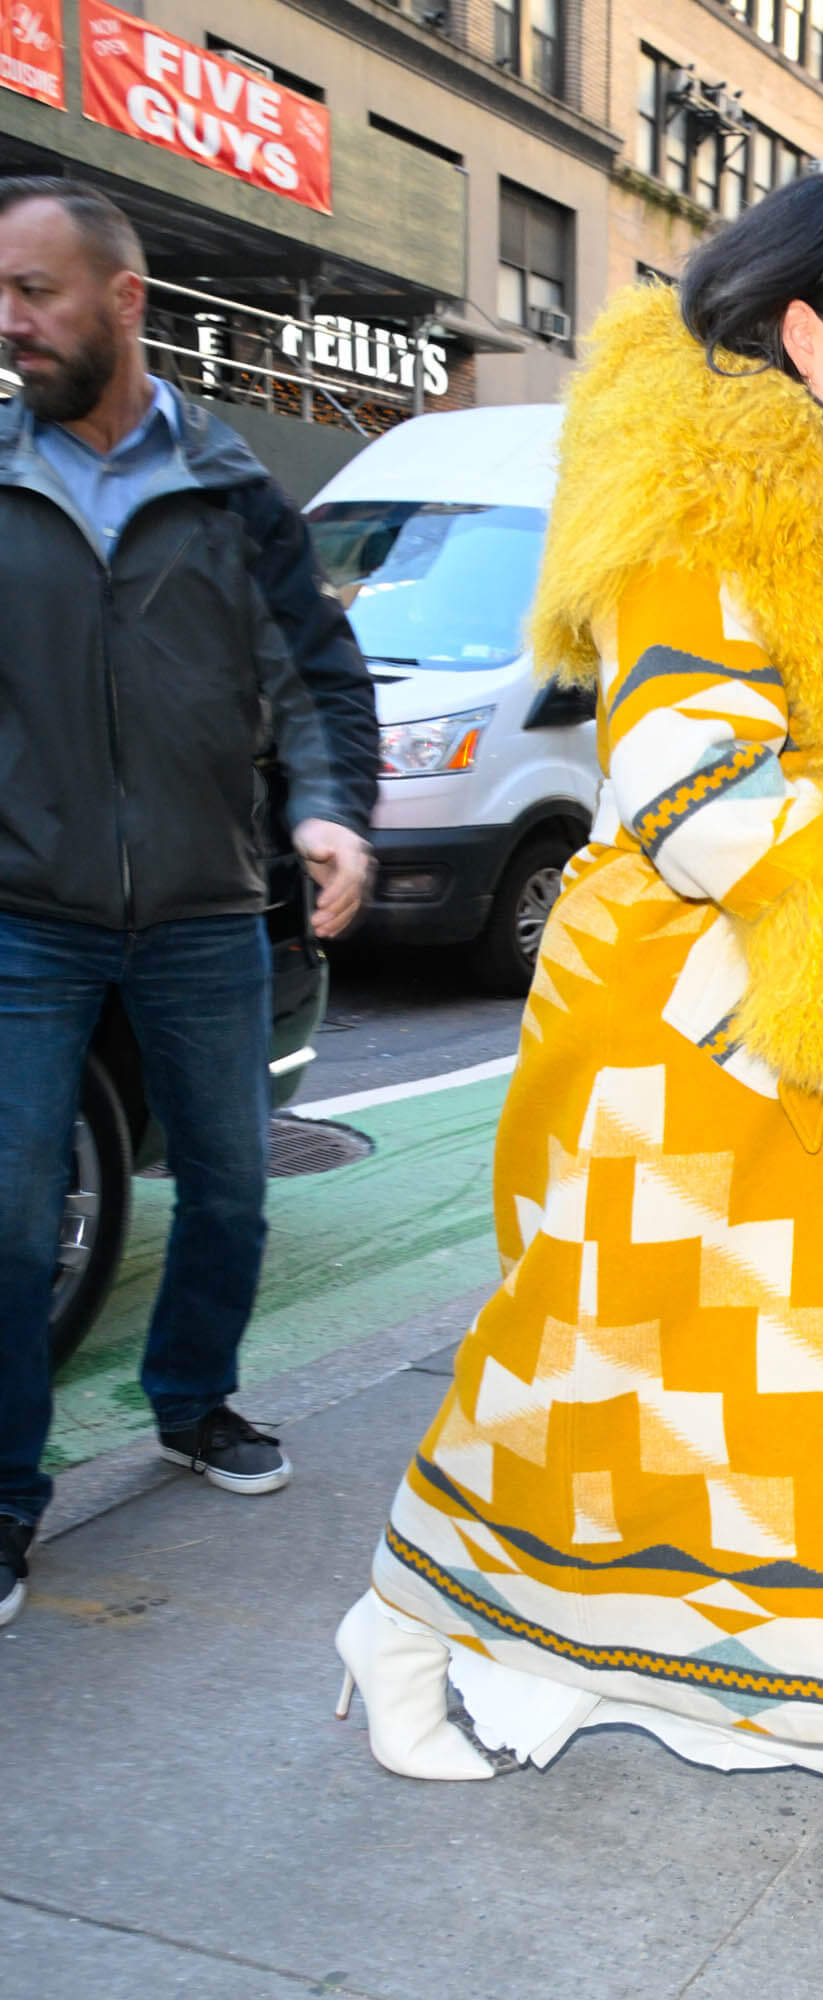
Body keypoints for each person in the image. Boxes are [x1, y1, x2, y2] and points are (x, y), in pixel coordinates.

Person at [334, 176, 823, 1877]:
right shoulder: (698, 498)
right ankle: (398, 1639)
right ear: (799, 328)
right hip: (691, 1062)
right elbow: (690, 783)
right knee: (581, 1392)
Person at [0, 179, 377, 1630]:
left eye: (36, 291)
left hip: (208, 907)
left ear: (125, 298)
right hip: (26, 912)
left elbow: (318, 678)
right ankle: (5, 1492)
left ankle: (194, 1401)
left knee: (226, 1183)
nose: (12, 322)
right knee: (11, 1213)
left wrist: (327, 809)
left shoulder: (231, 494)